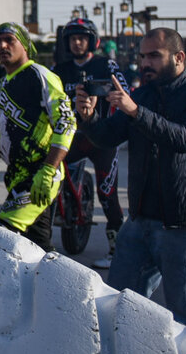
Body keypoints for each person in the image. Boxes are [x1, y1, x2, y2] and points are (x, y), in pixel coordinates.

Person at [75, 28, 186, 328]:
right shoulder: (142, 95)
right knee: (115, 307)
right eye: (142, 56)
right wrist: (88, 117)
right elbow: (108, 137)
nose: (145, 63)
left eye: (154, 55)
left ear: (179, 58)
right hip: (141, 220)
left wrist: (135, 111)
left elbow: (184, 138)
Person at [0, 23, 75, 251]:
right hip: (18, 176)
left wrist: (48, 170)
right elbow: (8, 132)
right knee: (38, 248)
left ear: (25, 44)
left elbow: (67, 123)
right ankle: (53, 284)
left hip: (41, 174)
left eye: (9, 39)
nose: (2, 45)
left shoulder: (41, 76)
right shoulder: (4, 82)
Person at [51, 18, 130, 268]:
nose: (76, 42)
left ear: (92, 41)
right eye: (72, 38)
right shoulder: (59, 69)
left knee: (107, 192)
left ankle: (117, 249)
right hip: (72, 137)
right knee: (48, 174)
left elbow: (125, 94)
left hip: (103, 137)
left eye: (82, 38)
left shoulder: (107, 65)